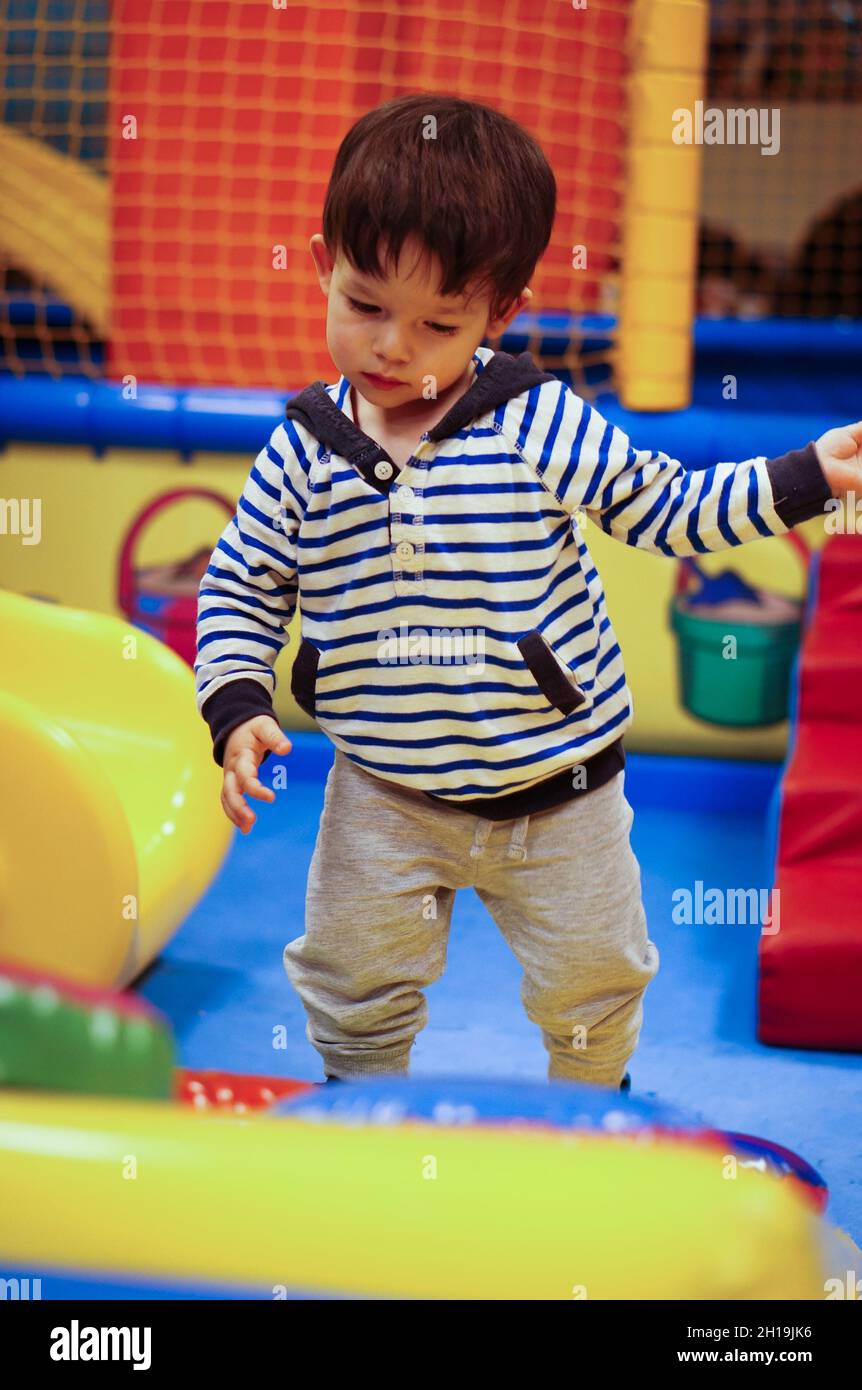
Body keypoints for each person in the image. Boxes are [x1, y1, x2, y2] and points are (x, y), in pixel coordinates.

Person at [194, 92, 861, 1089]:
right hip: (382, 789)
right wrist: (238, 703)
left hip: (560, 794)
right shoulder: (303, 449)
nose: (390, 348)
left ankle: (591, 1120)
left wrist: (802, 476)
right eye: (365, 305)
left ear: (499, 316)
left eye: (436, 324)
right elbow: (243, 584)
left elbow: (664, 507)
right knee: (350, 977)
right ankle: (360, 1120)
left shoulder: (537, 423)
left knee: (593, 980)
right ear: (323, 260)